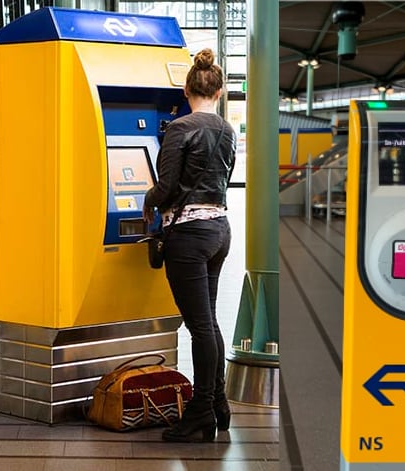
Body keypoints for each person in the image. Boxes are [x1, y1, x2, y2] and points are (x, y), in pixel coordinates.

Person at [143, 48, 236, 443]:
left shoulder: (180, 129)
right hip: (219, 230)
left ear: (186, 89)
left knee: (199, 326)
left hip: (189, 236)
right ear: (219, 91)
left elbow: (165, 188)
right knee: (209, 321)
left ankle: (199, 413)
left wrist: (145, 200)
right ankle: (217, 403)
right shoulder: (228, 131)